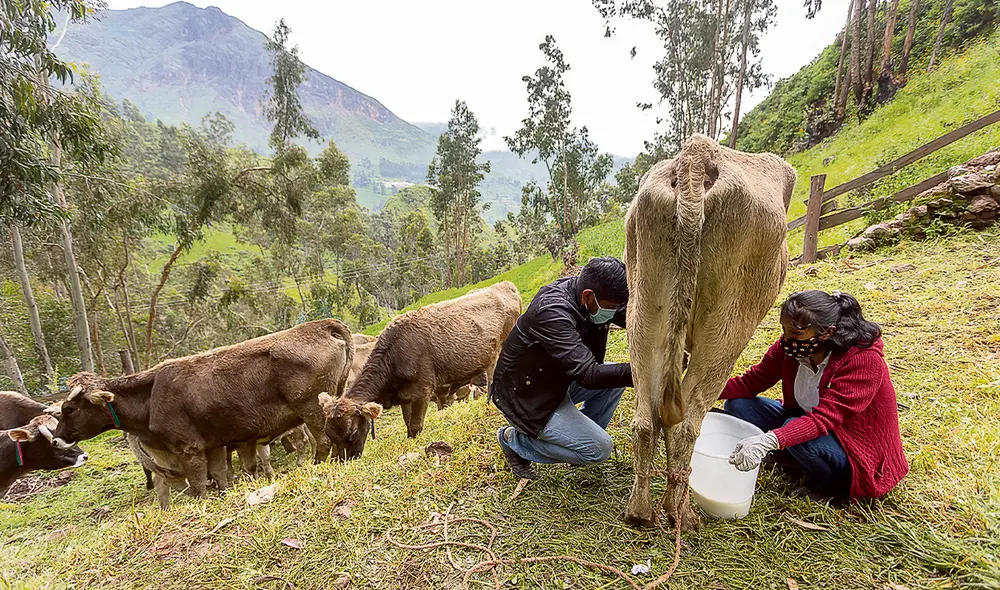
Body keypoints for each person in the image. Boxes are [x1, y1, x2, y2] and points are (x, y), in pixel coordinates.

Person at [722, 290, 908, 502]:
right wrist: (696, 392)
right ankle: (791, 457)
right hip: (807, 419)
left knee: (795, 430)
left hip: (851, 444)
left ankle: (827, 486)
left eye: (795, 332)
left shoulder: (863, 361)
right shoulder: (791, 349)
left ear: (827, 332)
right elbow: (751, 382)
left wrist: (769, 440)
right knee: (739, 406)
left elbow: (824, 419)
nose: (787, 338)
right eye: (784, 329)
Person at [491, 257, 633, 480]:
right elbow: (588, 375)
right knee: (600, 449)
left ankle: (576, 444)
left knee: (615, 382)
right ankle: (514, 441)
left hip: (559, 378)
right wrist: (645, 372)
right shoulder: (553, 312)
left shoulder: (592, 297)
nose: (615, 312)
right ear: (588, 296)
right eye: (612, 308)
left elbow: (633, 319)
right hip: (527, 395)